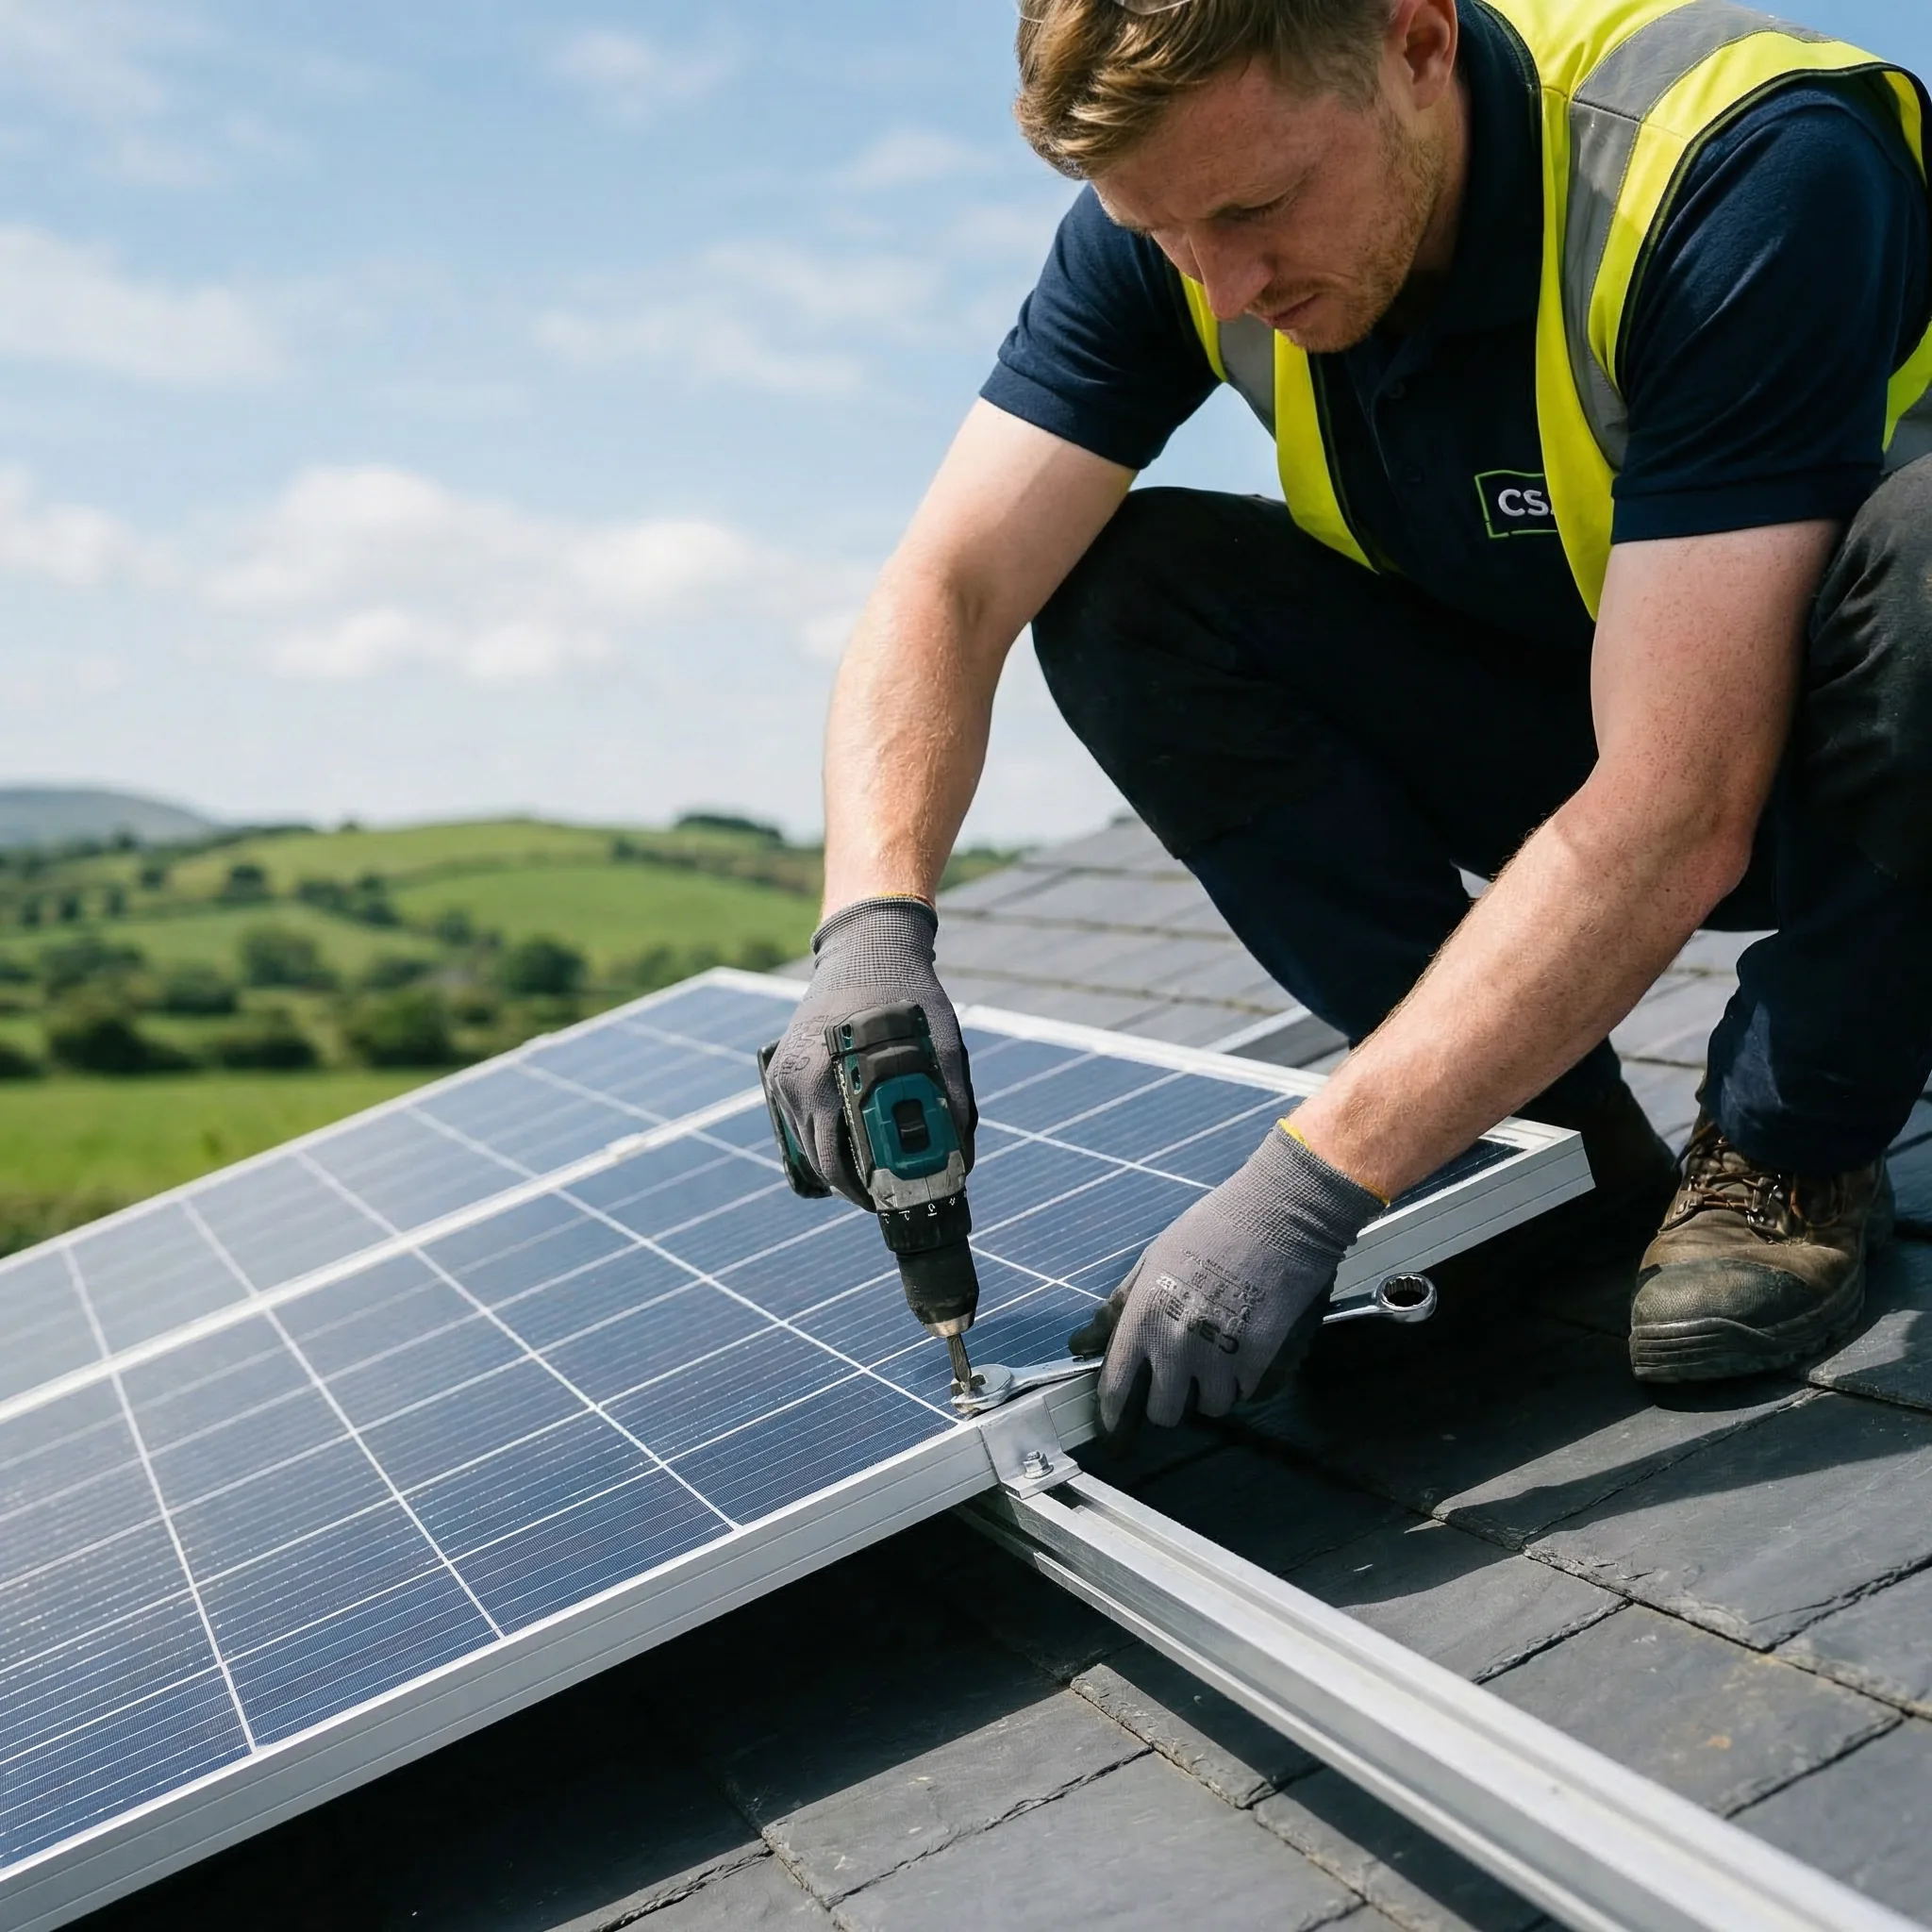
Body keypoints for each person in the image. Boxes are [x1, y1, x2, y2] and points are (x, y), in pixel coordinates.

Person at [765, 0, 1932, 1439]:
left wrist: (1309, 1187)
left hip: (1860, 768)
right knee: (1123, 590)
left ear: (1418, 44)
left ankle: (1789, 1146)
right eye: (1170, 235)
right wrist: (873, 923)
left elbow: (1682, 799)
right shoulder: (1188, 222)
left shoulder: (1744, 165)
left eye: (1259, 209)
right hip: (1592, 735)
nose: (1226, 283)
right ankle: (1547, 1142)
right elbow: (949, 584)